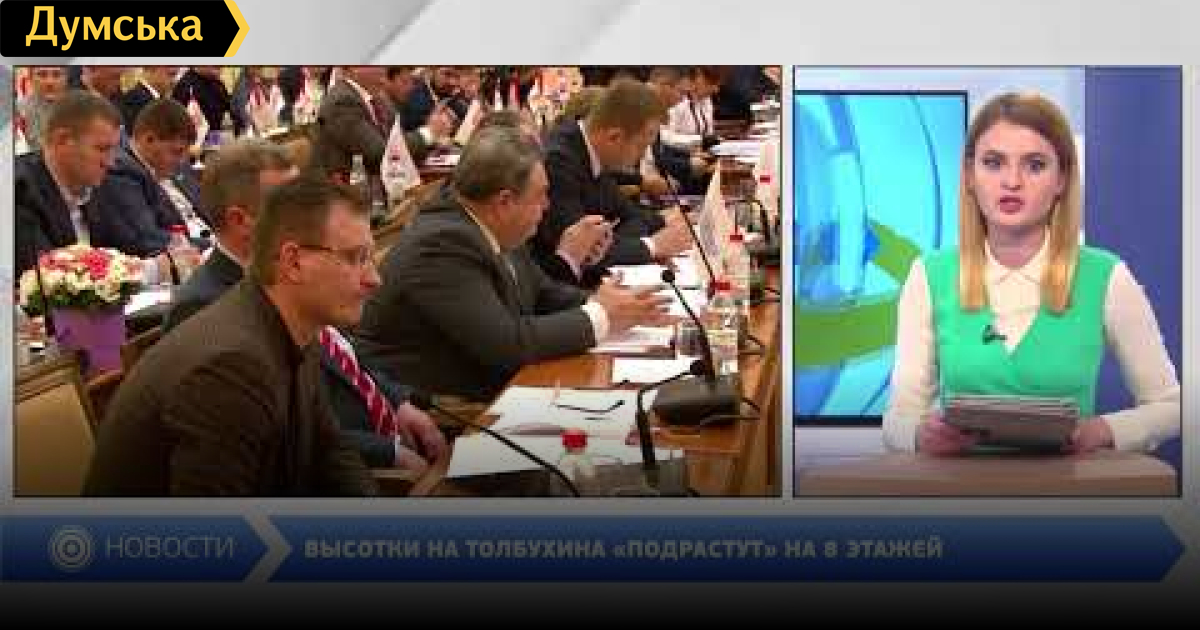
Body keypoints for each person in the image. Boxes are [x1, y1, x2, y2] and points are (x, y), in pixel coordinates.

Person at [882, 92, 1180, 456]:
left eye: (1035, 165)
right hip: (960, 489)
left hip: (1071, 488)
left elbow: (1172, 406)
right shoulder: (929, 276)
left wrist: (1102, 431)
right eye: (993, 163)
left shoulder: (1107, 277)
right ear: (970, 175)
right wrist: (919, 436)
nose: (1012, 181)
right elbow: (898, 420)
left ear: (1061, 179)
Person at [85, 177, 381, 496]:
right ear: (294, 263)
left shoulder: (294, 323)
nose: (374, 279)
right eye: (356, 258)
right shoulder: (230, 368)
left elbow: (330, 451)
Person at [163, 139, 445, 472]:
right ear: (240, 220)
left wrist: (397, 403)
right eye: (289, 204)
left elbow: (346, 357)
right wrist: (387, 453)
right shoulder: (205, 307)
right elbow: (279, 439)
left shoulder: (306, 273)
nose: (313, 213)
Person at [355, 126, 675, 403]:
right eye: (541, 195)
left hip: (499, 384)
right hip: (441, 406)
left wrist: (613, 304)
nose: (547, 206)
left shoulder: (492, 224)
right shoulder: (442, 245)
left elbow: (542, 292)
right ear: (504, 202)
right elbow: (509, 344)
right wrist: (602, 316)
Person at [538, 79, 694, 286]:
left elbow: (627, 214)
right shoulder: (558, 162)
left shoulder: (594, 152)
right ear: (614, 137)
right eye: (640, 147)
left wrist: (661, 224)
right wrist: (653, 246)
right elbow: (584, 251)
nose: (641, 157)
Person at [14, 90, 175, 282]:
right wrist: (153, 270)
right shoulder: (18, 191)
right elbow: (51, 281)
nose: (110, 162)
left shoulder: (96, 186)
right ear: (62, 140)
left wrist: (171, 259)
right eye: (102, 149)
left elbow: (129, 248)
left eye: (113, 150)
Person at [92, 98, 204, 252]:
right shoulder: (120, 174)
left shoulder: (164, 165)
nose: (182, 161)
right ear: (149, 139)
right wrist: (210, 246)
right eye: (177, 152)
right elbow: (147, 238)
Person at [16, 66, 68, 153]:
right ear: (31, 79)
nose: (50, 82)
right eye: (42, 75)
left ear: (66, 78)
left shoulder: (81, 109)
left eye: (57, 75)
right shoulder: (19, 110)